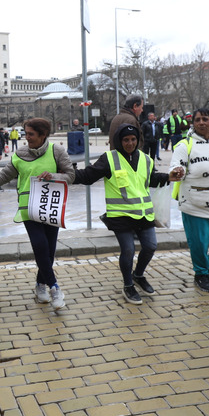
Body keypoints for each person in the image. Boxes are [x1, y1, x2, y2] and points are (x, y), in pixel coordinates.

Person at [73, 124, 178, 305]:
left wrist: (168, 176)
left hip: (144, 214)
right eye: (126, 140)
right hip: (120, 215)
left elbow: (151, 179)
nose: (130, 143)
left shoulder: (146, 159)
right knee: (128, 250)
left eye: (133, 139)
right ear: (119, 142)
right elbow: (87, 175)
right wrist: (65, 175)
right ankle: (128, 285)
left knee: (151, 246)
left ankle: (138, 275)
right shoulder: (109, 159)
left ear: (138, 140)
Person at [0, 118, 76, 309]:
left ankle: (40, 285)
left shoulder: (57, 151)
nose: (27, 138)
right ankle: (55, 288)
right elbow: (3, 176)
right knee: (40, 245)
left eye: (31, 134)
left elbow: (71, 175)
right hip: (28, 209)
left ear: (43, 135)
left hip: (51, 207)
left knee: (49, 251)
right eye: (26, 133)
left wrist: (53, 176)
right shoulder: (20, 154)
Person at [169, 108, 209, 293]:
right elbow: (175, 165)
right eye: (197, 120)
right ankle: (201, 274)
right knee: (199, 242)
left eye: (205, 119)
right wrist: (176, 171)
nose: (201, 123)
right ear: (193, 123)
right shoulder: (185, 145)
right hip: (194, 204)